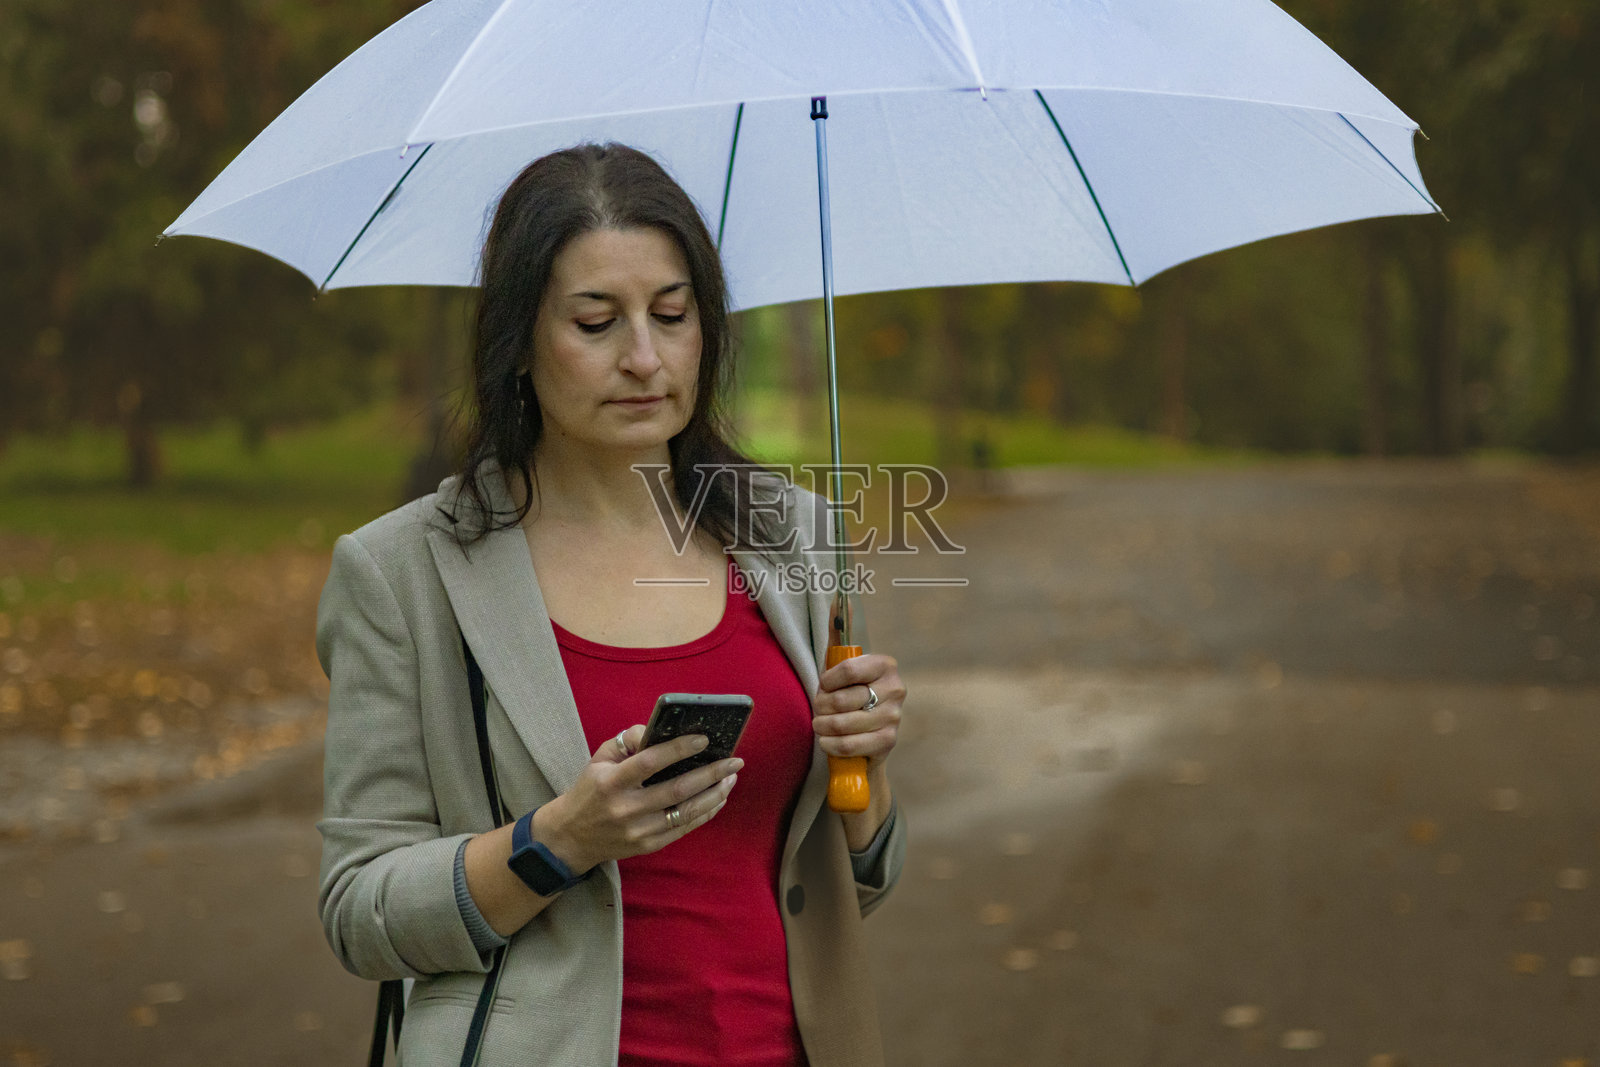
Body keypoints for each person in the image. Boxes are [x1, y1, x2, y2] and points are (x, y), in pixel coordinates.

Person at [315, 142, 907, 1067]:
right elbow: (361, 910)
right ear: (517, 346)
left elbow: (849, 881)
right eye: (596, 323)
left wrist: (860, 782)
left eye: (672, 316)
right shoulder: (401, 574)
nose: (644, 357)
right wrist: (559, 840)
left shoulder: (798, 541)